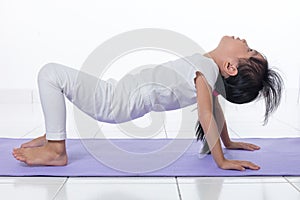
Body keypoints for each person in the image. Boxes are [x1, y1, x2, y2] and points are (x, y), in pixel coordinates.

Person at [12, 36, 283, 171]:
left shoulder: (207, 70)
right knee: (56, 78)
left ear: (230, 67)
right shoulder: (209, 71)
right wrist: (228, 142)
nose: (245, 41)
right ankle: (53, 134)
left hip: (117, 101)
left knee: (50, 74)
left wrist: (222, 160)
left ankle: (56, 150)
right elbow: (215, 107)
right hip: (116, 93)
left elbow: (206, 114)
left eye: (249, 51)